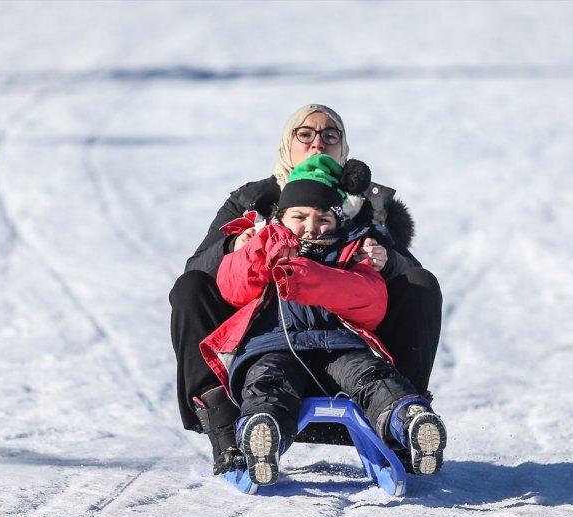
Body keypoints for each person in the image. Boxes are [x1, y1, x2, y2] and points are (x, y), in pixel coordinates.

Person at [169, 104, 442, 474]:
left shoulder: (370, 207)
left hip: (345, 340)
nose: (318, 144)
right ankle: (232, 432)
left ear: (344, 147)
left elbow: (397, 279)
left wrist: (386, 260)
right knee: (190, 289)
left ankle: (404, 426)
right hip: (271, 338)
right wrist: (236, 247)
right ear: (288, 142)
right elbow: (201, 269)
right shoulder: (253, 202)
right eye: (306, 134)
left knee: (420, 287)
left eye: (330, 135)